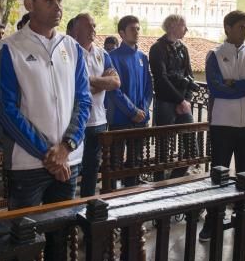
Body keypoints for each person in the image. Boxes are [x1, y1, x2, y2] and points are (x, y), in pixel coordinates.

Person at [0, 0, 91, 261]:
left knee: (61, 236)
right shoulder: (10, 48)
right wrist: (46, 153)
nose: (58, 7)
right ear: (29, 4)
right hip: (27, 166)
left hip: (68, 161)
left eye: (60, 0)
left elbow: (83, 100)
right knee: (23, 238)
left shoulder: (71, 48)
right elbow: (6, 110)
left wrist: (67, 146)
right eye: (49, 0)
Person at [199, 10, 245, 245]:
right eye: (241, 26)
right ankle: (212, 220)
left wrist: (237, 83)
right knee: (219, 173)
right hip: (222, 122)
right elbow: (217, 88)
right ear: (227, 28)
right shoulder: (215, 55)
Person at [72, 13, 120, 196]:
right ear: (77, 30)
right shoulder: (71, 52)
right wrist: (102, 82)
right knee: (73, 167)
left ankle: (88, 206)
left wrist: (90, 81)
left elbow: (116, 82)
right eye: (88, 26)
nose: (93, 29)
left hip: (98, 120)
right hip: (76, 120)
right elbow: (72, 88)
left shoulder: (102, 53)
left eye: (94, 25)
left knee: (93, 168)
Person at [105, 15, 152, 187]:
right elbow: (114, 90)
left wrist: (144, 110)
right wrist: (132, 111)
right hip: (120, 118)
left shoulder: (142, 57)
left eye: (138, 28)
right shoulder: (112, 57)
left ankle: (130, 199)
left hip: (140, 119)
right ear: (122, 33)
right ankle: (110, 200)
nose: (137, 32)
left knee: (135, 161)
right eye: (132, 29)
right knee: (114, 162)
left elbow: (148, 87)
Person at [149, 14, 196, 180]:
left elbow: (189, 76)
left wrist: (187, 100)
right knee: (163, 148)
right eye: (183, 25)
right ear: (172, 26)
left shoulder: (183, 48)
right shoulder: (157, 48)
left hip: (182, 103)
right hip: (166, 103)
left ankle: (173, 179)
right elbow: (161, 79)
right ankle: (159, 185)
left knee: (191, 148)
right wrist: (180, 100)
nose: (186, 29)